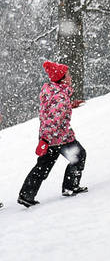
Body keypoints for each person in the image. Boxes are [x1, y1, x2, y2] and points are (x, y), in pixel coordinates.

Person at [18, 61, 88, 207]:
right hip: (59, 137)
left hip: (48, 137)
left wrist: (70, 104)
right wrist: (46, 139)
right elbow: (54, 118)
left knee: (43, 166)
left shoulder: (51, 90)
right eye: (68, 75)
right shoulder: (60, 96)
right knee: (79, 155)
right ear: (62, 78)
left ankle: (26, 194)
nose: (70, 77)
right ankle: (70, 187)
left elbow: (52, 110)